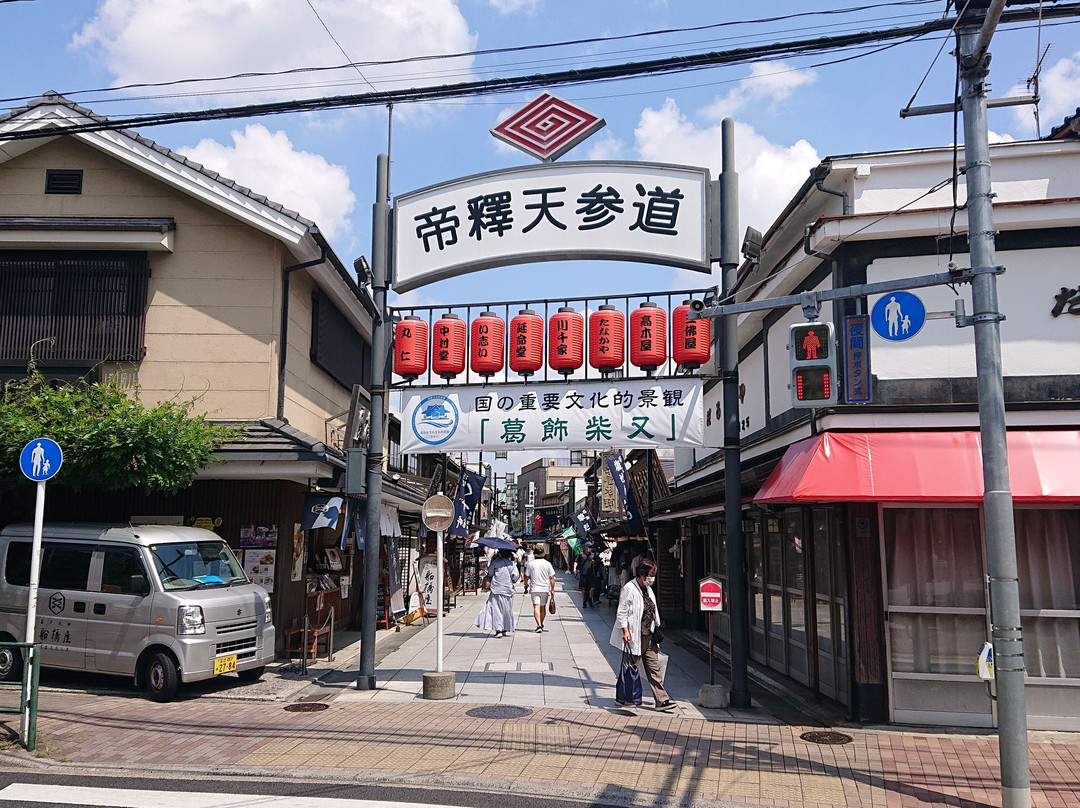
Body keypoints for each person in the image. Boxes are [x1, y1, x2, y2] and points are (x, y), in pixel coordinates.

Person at [609, 558, 675, 711]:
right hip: (634, 635)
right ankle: (623, 697)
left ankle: (661, 700)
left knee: (654, 667)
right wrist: (625, 631)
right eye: (651, 574)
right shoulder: (629, 588)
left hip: (649, 635)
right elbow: (622, 612)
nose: (653, 578)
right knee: (630, 667)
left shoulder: (647, 589)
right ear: (643, 574)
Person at [474, 549, 519, 638]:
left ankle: (498, 629)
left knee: (496, 609)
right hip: (508, 590)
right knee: (507, 609)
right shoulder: (512, 564)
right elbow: (516, 576)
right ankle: (505, 628)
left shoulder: (495, 563)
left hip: (496, 589)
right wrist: (511, 580)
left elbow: (490, 573)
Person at [522, 543, 555, 632]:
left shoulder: (531, 564)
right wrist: (552, 589)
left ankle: (539, 625)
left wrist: (525, 583)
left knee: (536, 606)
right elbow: (551, 578)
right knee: (543, 607)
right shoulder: (548, 564)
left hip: (535, 588)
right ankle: (541, 623)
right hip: (545, 588)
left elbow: (526, 576)